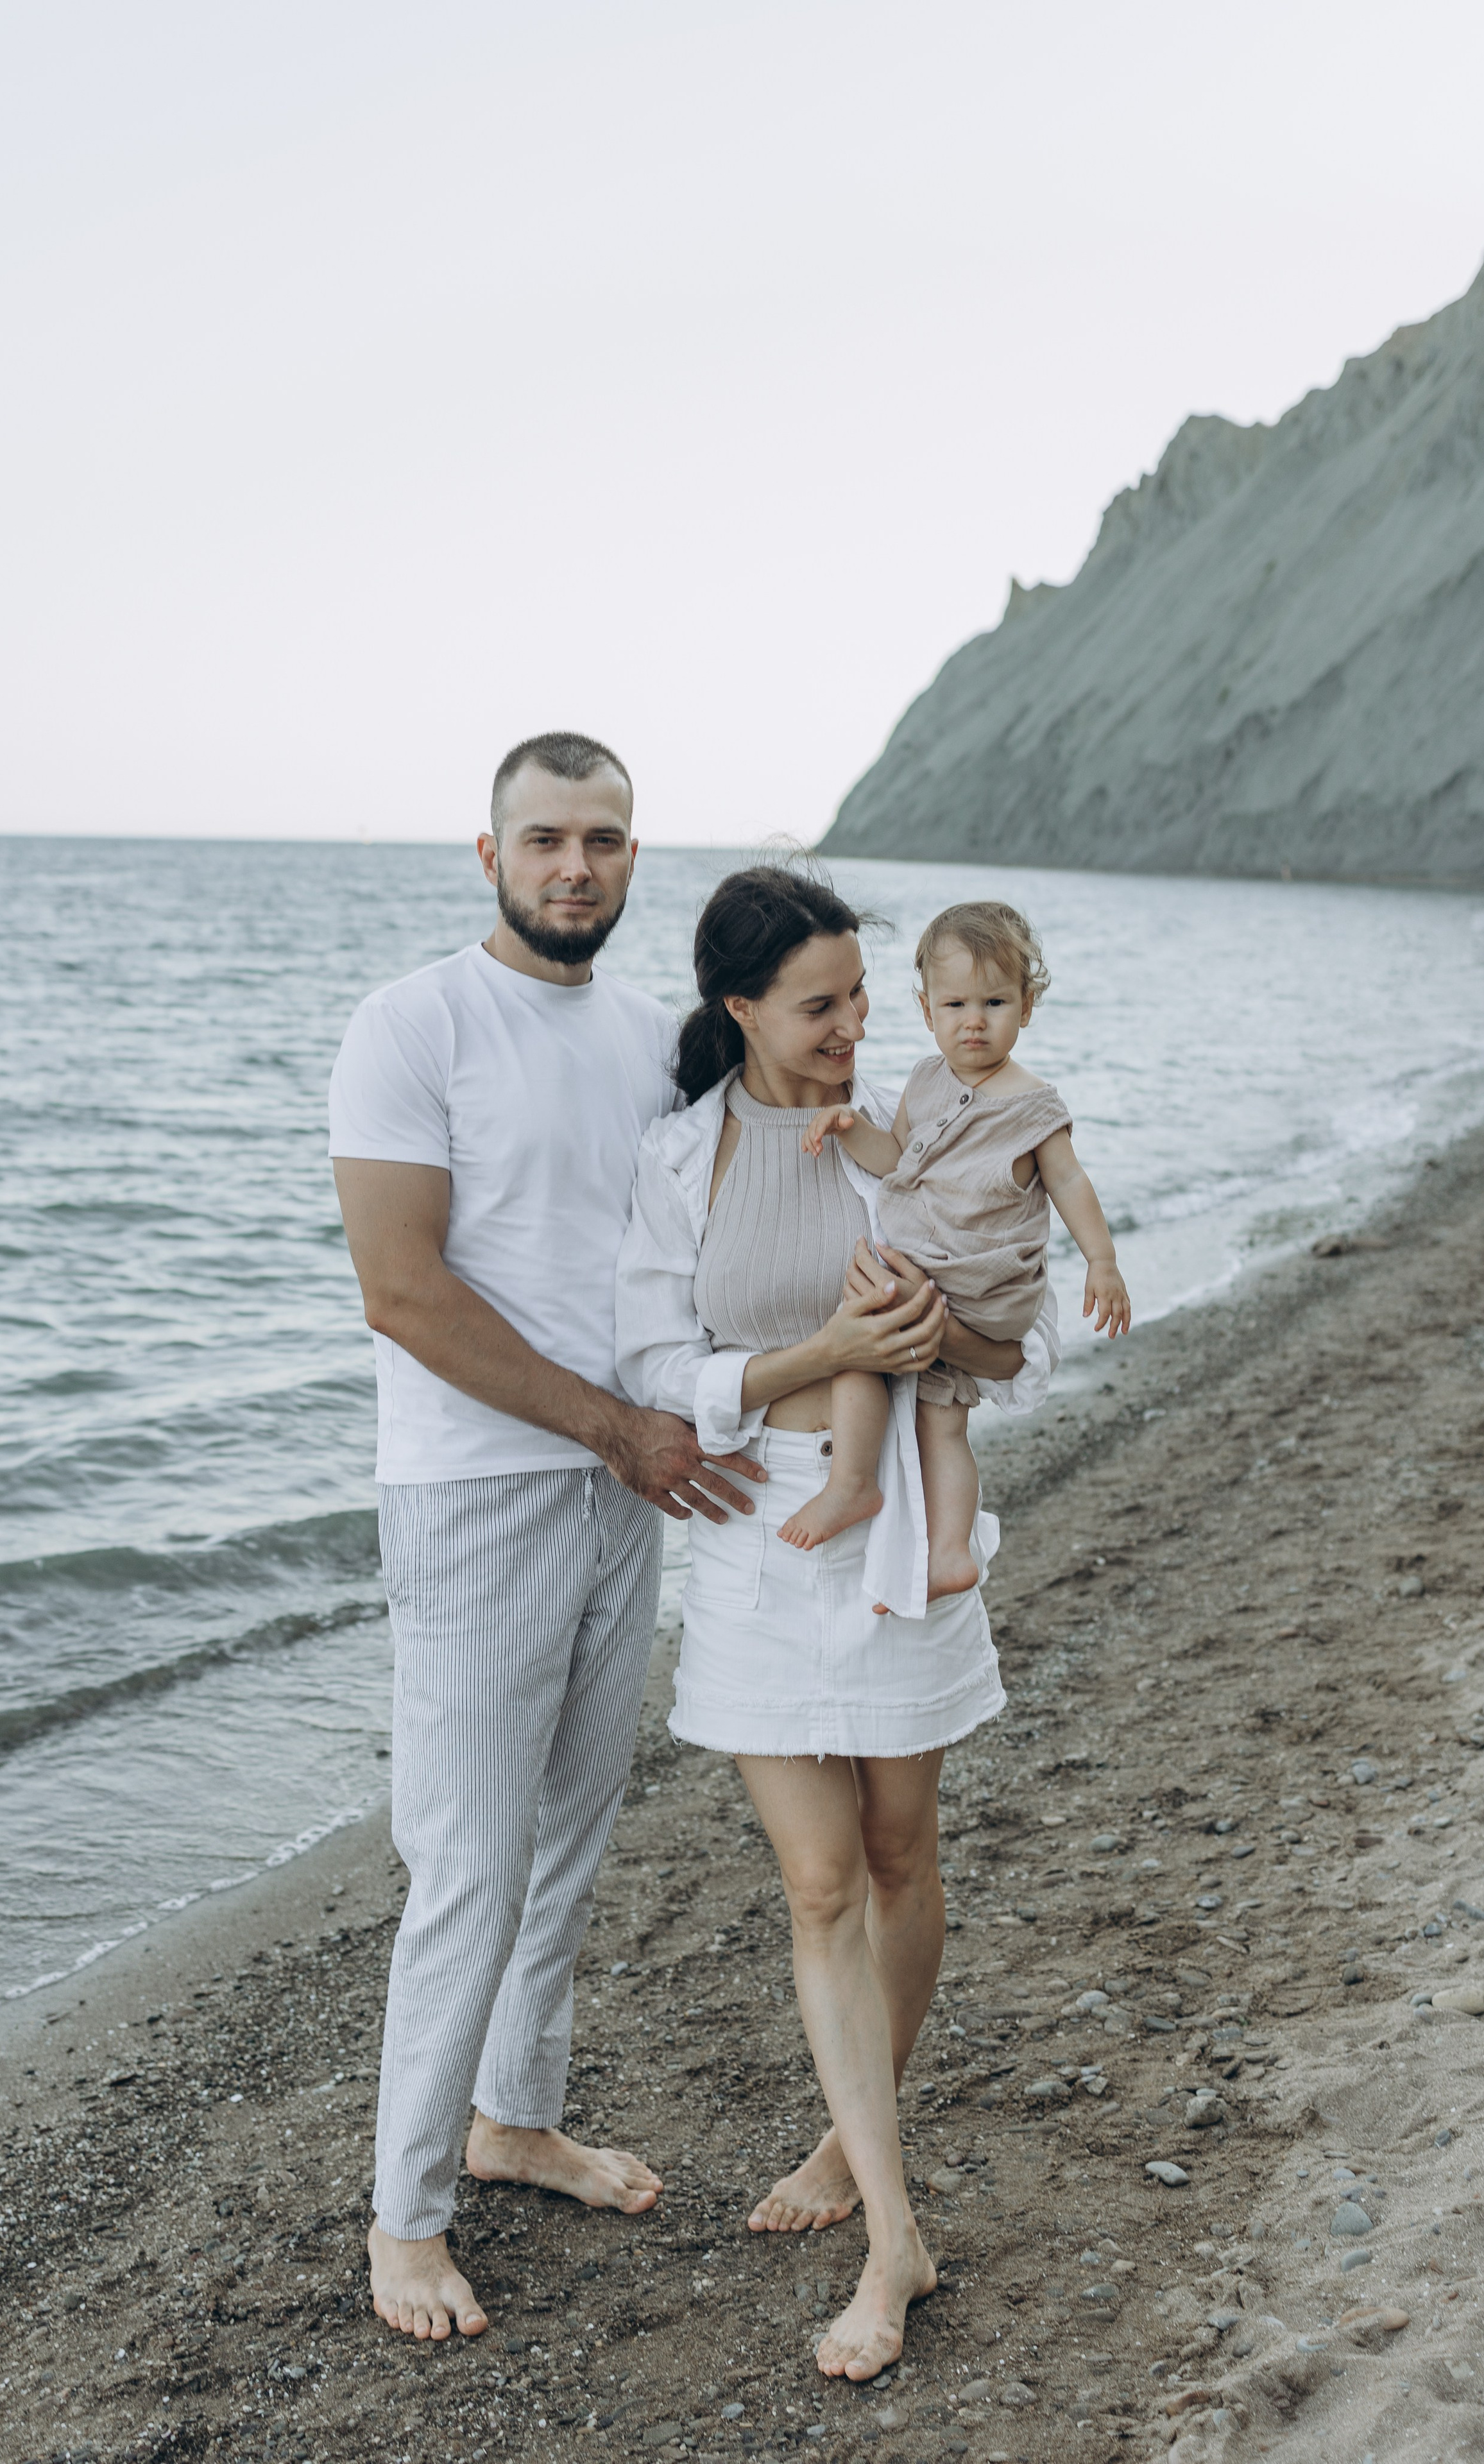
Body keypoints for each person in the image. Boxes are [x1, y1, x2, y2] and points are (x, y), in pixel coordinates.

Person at [328, 732, 761, 2344]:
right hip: (477, 1490)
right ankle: (404, 2217)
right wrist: (614, 1428)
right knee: (468, 1862)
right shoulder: (413, 1023)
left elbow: (750, 1175)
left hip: (619, 1486)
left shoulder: (653, 1041)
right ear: (487, 851)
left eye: (602, 838)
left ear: (635, 858)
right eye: (544, 837)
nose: (573, 864)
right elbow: (402, 1288)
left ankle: (512, 2119)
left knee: (567, 1844)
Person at [613, 863, 1059, 2382]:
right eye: (821, 1006)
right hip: (754, 1534)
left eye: (864, 998)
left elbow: (1026, 1340)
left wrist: (951, 1338)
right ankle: (891, 2232)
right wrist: (809, 1351)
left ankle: (841, 2139)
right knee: (816, 1885)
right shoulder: (680, 1158)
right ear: (739, 1008)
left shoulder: (930, 1125)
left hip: (903, 1530)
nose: (856, 1028)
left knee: (895, 1855)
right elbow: (654, 1363)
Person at [786, 899, 1130, 1595]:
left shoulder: (1031, 1104)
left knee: (854, 1327)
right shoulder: (924, 1081)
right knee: (941, 1423)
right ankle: (949, 1554)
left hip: (980, 1284)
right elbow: (895, 1160)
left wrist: (1102, 1261)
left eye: (995, 1002)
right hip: (948, 1282)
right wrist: (850, 1127)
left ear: (1026, 1007)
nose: (974, 1021)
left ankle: (849, 1484)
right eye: (955, 1005)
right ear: (925, 1010)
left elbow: (1069, 1183)